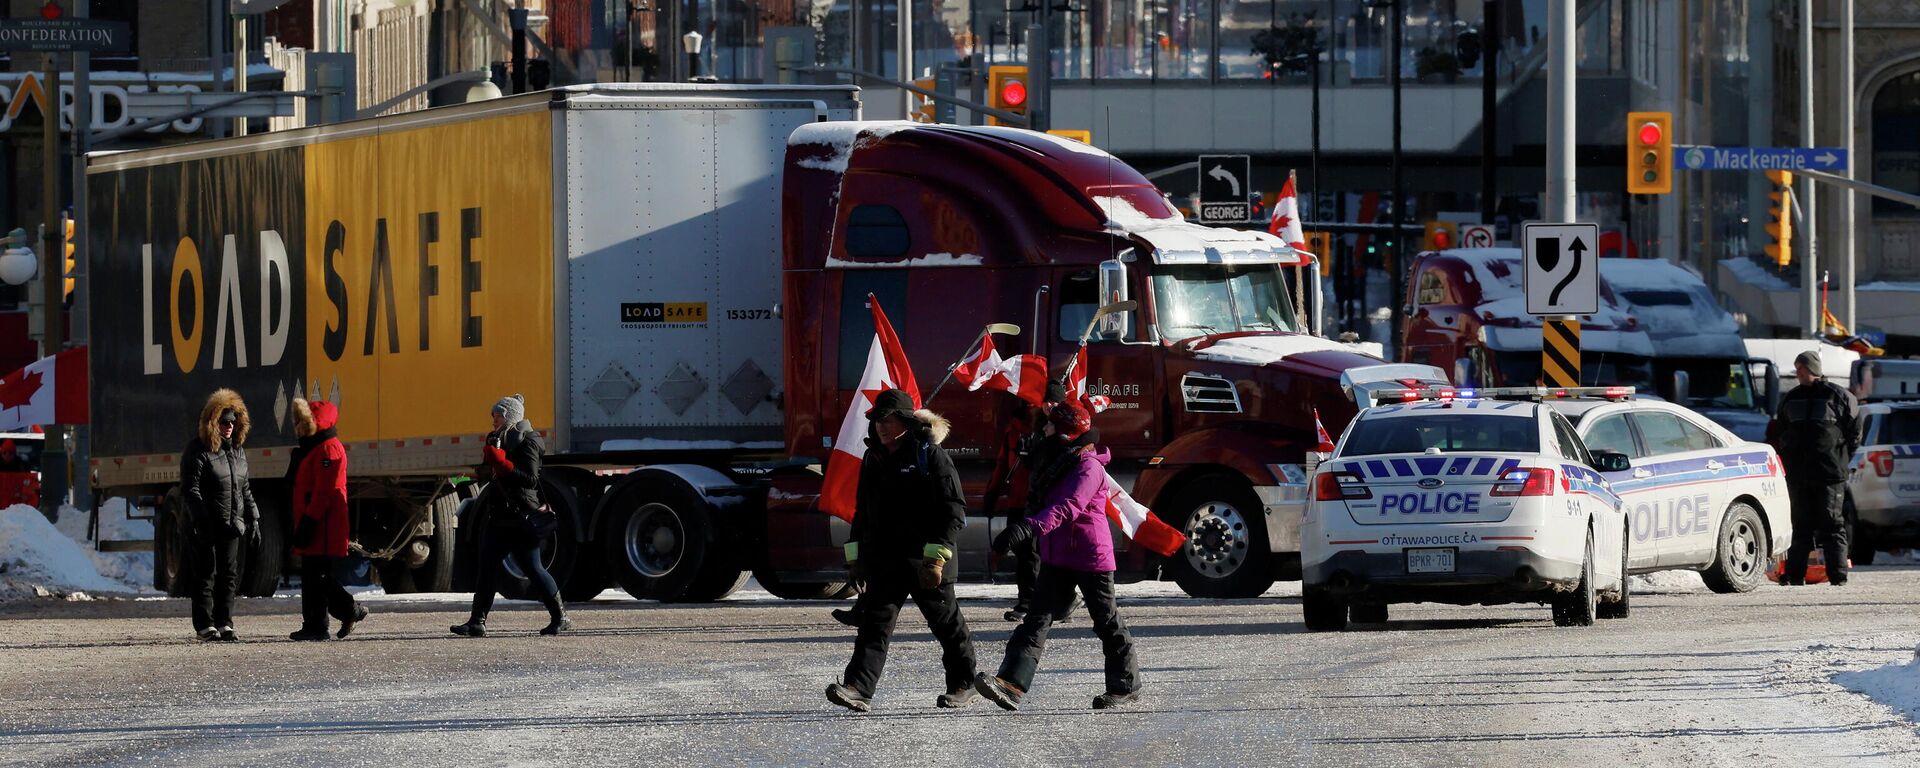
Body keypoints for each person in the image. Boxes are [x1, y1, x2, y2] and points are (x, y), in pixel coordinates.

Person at [975, 400, 1141, 710]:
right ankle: (1011, 683)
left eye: (1050, 426)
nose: (1044, 429)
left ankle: (1125, 685)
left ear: (1065, 434)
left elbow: (1068, 507)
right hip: (1058, 555)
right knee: (1036, 618)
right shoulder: (1056, 460)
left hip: (1089, 557)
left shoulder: (1088, 466)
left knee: (1106, 621)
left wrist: (1024, 530)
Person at [825, 389, 979, 712]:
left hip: (927, 562)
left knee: (947, 625)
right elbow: (863, 514)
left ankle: (964, 683)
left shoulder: (930, 455)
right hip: (887, 561)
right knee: (874, 625)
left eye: (888, 419)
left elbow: (954, 510)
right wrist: (855, 560)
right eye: (877, 420)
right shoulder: (873, 457)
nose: (881, 425)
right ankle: (858, 688)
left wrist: (935, 560)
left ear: (905, 422)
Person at [451, 394, 571, 637]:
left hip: (522, 516)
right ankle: (477, 621)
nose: (493, 420)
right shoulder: (496, 439)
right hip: (498, 516)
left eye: (497, 415)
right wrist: (483, 466)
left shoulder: (530, 441)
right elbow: (490, 473)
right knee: (486, 568)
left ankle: (560, 617)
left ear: (509, 416)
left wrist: (502, 463)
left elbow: (530, 479)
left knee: (534, 569)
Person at [981, 382, 1078, 624]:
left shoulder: (1060, 430)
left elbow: (1060, 464)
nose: (1047, 407)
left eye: (1053, 403)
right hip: (1019, 498)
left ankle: (1054, 599)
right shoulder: (1017, 428)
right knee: (1025, 551)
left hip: (1045, 501)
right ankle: (1032, 601)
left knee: (1043, 553)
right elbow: (1004, 462)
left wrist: (1032, 457)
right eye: (1044, 401)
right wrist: (992, 493)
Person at [1769, 350, 1860, 586]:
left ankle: (1838, 577)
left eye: (1801, 368)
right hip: (1799, 474)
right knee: (1800, 525)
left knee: (1832, 523)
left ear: (1812, 369)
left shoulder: (1838, 396)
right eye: (1796, 368)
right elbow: (1780, 432)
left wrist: (1838, 457)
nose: (1797, 372)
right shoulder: (1791, 398)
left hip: (1830, 474)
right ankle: (1793, 576)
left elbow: (1854, 433)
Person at [179, 389, 261, 642]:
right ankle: (205, 625)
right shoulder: (198, 451)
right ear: (213, 422)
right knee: (206, 573)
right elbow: (190, 489)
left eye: (233, 421)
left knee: (229, 574)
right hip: (206, 524)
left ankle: (225, 622)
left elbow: (244, 487)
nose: (228, 426)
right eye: (224, 421)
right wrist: (200, 519)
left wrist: (253, 517)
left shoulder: (237, 451)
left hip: (231, 524)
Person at [287, 399, 366, 641]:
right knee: (314, 575)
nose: (298, 426)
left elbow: (325, 491)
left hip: (322, 524)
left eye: (302, 421)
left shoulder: (328, 448)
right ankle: (319, 622)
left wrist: (309, 522)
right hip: (316, 521)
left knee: (317, 576)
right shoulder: (315, 447)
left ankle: (336, 616)